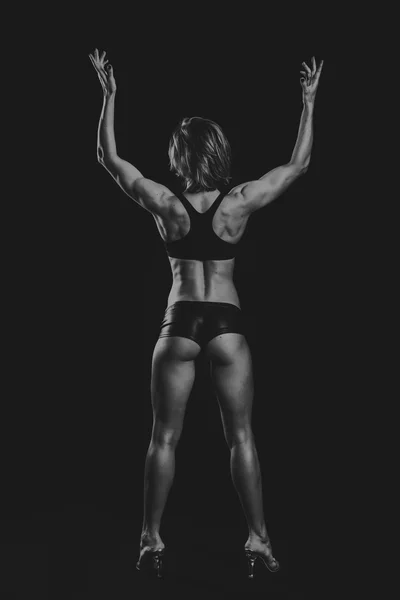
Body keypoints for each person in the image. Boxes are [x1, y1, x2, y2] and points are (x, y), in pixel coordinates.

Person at [89, 49, 323, 579]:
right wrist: (308, 102)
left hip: (180, 325)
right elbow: (298, 165)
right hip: (227, 326)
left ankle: (151, 540)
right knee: (241, 436)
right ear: (218, 153)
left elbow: (109, 159)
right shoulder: (238, 202)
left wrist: (109, 97)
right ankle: (258, 543)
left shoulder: (165, 204)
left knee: (163, 438)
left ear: (178, 156)